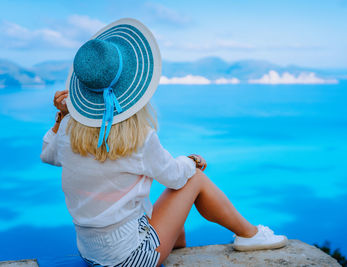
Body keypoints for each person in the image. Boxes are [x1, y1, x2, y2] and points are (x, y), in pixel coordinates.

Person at [40, 18, 288, 267]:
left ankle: (177, 243)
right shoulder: (139, 138)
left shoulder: (68, 131)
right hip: (129, 259)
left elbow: (48, 156)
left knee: (156, 200)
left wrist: (63, 116)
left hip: (91, 254)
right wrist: (192, 161)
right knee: (194, 179)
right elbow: (175, 177)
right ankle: (250, 235)